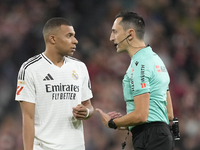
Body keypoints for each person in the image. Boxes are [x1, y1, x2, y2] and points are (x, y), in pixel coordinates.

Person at [96, 11, 174, 150]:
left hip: (150, 139)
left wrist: (112, 123)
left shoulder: (139, 65)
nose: (111, 38)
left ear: (130, 34)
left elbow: (141, 116)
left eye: (115, 32)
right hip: (161, 137)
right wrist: (125, 122)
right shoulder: (156, 59)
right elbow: (168, 114)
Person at [15, 17, 94, 150]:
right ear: (53, 39)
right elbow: (28, 117)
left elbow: (89, 106)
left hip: (76, 146)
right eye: (69, 36)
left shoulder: (80, 67)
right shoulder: (30, 68)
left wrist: (86, 112)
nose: (75, 41)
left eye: (74, 36)